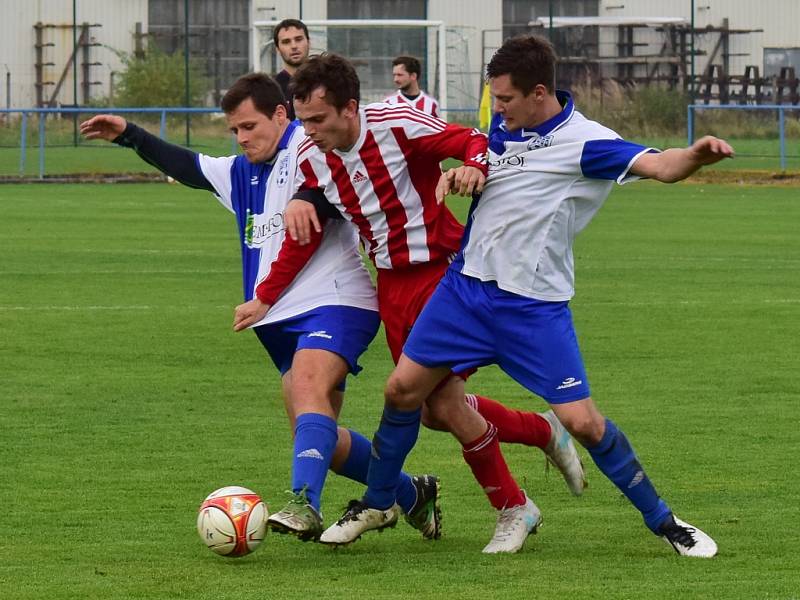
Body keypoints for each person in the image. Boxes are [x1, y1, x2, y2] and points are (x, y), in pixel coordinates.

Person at [321, 35, 733, 557]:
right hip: (464, 294)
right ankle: (379, 501)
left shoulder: (587, 142)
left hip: (532, 310)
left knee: (582, 421)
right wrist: (467, 169)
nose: (498, 110)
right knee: (403, 391)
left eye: (507, 100)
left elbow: (662, 165)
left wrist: (695, 155)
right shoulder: (503, 125)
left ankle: (666, 522)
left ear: (540, 93)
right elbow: (480, 155)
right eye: (494, 99)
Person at [232, 53, 586, 553]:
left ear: (350, 108)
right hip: (391, 288)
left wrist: (473, 166)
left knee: (439, 402)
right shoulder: (315, 158)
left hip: (442, 274)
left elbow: (469, 139)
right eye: (304, 120)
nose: (307, 132)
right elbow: (303, 238)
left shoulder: (395, 124)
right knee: (433, 412)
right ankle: (540, 432)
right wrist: (265, 297)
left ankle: (512, 505)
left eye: (318, 120)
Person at [79, 73, 441, 544]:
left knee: (310, 387)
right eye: (235, 130)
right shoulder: (239, 172)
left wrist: (308, 198)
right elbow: (190, 166)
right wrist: (129, 134)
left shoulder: (312, 151)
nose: (242, 138)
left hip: (334, 300)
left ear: (280, 115)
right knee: (319, 436)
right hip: (272, 319)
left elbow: (335, 184)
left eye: (250, 126)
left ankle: (303, 504)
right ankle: (413, 494)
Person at [273, 18, 310, 120]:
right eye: (286, 42)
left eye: (298, 39)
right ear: (277, 49)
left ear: (308, 42)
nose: (294, 46)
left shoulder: (326, 81)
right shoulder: (272, 89)